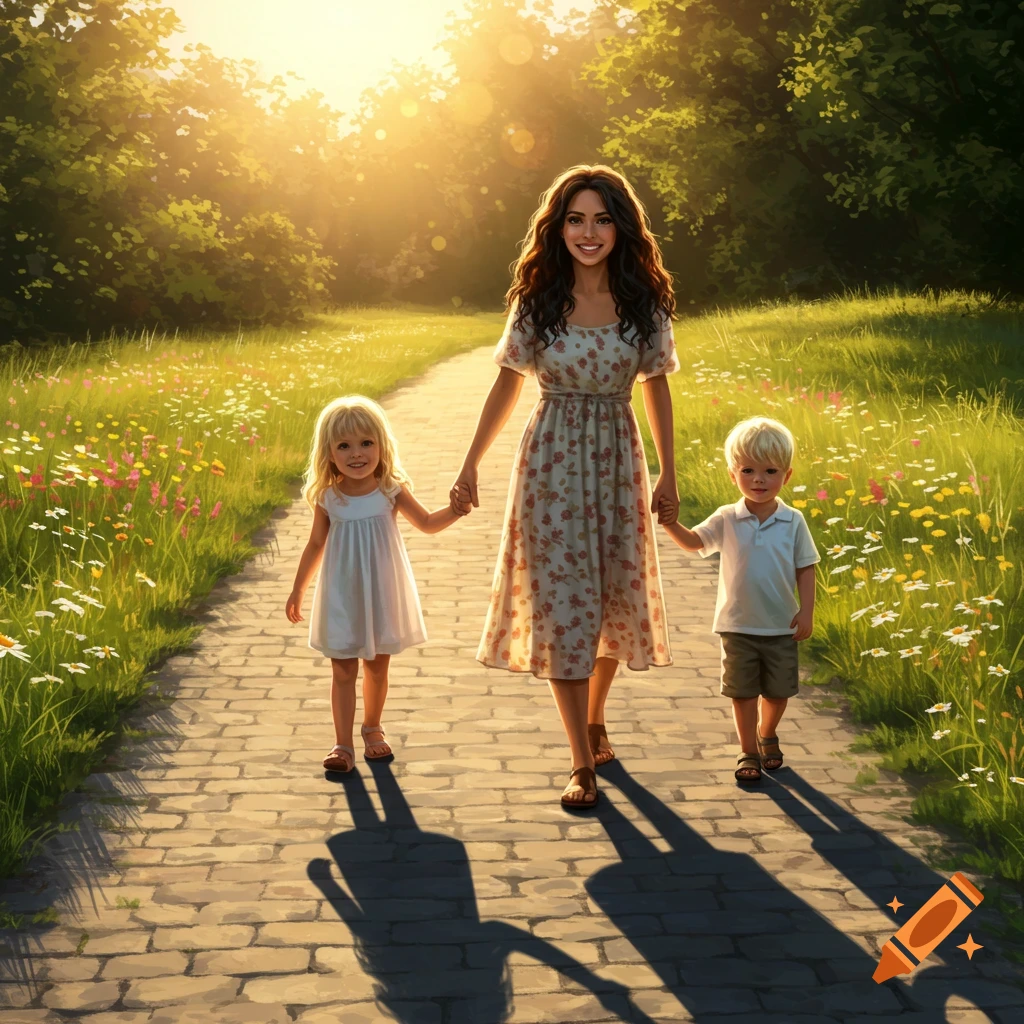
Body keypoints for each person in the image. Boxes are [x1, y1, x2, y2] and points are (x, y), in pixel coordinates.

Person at [450, 165, 680, 808]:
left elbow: (657, 384)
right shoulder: (539, 302)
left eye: (602, 219)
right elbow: (507, 381)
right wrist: (470, 462)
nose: (588, 232)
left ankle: (594, 717)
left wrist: (670, 470)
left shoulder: (645, 304)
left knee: (610, 599)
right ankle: (581, 761)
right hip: (551, 465)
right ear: (558, 227)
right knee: (563, 606)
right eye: (576, 219)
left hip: (618, 459)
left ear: (620, 227)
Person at [287, 395, 470, 773]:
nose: (357, 454)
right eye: (345, 446)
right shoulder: (328, 496)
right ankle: (342, 744)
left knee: (376, 667)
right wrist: (298, 588)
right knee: (341, 669)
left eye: (366, 443)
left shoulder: (390, 489)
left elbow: (426, 524)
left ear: (381, 446)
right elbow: (316, 544)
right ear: (329, 453)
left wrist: (455, 510)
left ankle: (372, 727)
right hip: (341, 593)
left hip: (382, 591)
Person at [658, 416, 819, 783]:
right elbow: (695, 543)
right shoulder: (727, 518)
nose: (758, 479)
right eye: (748, 470)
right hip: (737, 624)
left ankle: (768, 733)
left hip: (780, 624)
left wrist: (806, 611)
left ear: (786, 476)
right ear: (733, 475)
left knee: (778, 692)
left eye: (769, 470)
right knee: (742, 693)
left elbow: (806, 568)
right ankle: (748, 750)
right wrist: (670, 523)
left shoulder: (793, 522)